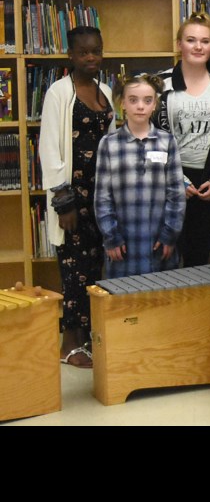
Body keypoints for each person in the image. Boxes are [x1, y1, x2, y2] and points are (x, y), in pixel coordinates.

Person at [39, 26, 116, 368]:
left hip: (101, 196)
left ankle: (88, 339)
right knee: (74, 269)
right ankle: (68, 344)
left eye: (96, 51)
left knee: (96, 268)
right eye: (83, 52)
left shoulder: (107, 91)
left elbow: (113, 140)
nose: (91, 58)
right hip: (72, 198)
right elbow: (49, 148)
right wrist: (63, 200)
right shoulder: (59, 93)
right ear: (70, 55)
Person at [156, 12, 210, 267]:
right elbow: (149, 138)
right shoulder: (161, 84)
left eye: (205, 41)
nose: (198, 47)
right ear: (179, 44)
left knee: (198, 259)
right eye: (191, 40)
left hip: (209, 182)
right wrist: (176, 180)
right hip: (169, 180)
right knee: (164, 257)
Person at [94, 73, 186, 278]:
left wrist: (170, 234)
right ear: (123, 104)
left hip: (159, 243)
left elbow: (176, 195)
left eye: (147, 100)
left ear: (155, 105)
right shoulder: (109, 144)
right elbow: (102, 198)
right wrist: (111, 237)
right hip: (123, 245)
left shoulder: (167, 142)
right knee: (124, 303)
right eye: (133, 100)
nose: (140, 106)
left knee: (161, 301)